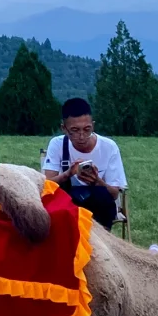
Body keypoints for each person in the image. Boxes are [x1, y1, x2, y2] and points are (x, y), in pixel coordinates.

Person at [41, 97, 126, 231]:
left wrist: (97, 181)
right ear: (64, 128)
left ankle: (99, 243)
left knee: (102, 198)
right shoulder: (57, 144)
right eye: (74, 130)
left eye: (87, 130)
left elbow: (115, 194)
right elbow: (48, 186)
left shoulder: (109, 147)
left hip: (99, 206)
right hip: (69, 205)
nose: (81, 136)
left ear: (93, 125)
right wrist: (68, 173)